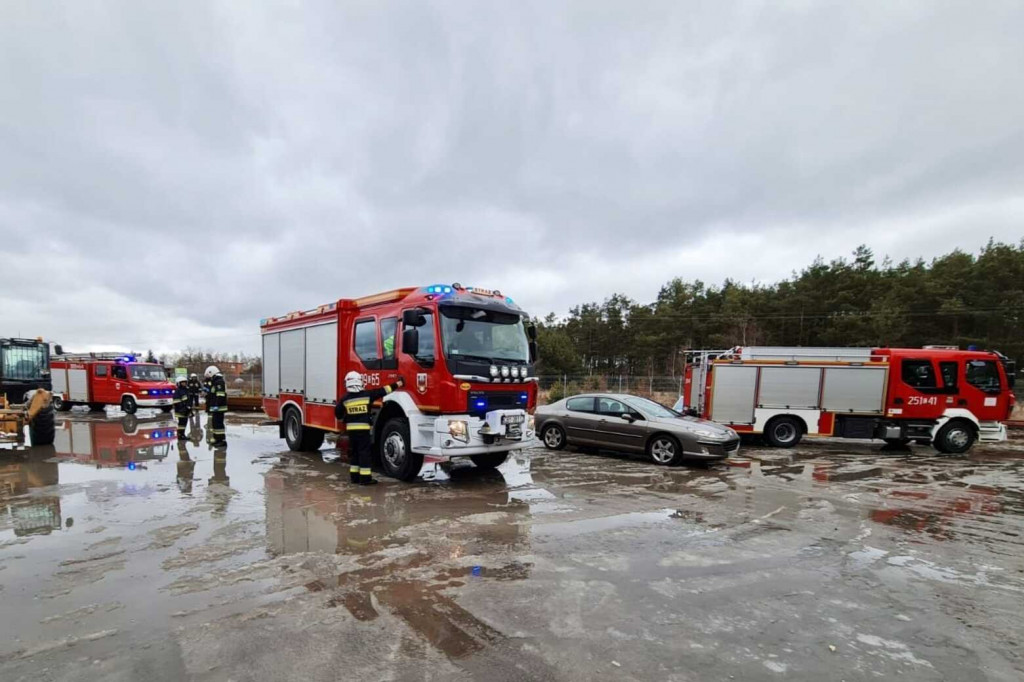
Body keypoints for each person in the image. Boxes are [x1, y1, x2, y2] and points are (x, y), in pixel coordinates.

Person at [335, 371, 403, 485]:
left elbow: (338, 414)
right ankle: (365, 479)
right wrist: (398, 384)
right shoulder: (367, 395)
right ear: (359, 382)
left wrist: (347, 417)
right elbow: (383, 391)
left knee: (355, 453)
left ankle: (354, 477)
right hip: (363, 431)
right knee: (364, 453)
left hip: (351, 432)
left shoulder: (345, 399)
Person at [204, 365, 228, 447]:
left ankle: (221, 441)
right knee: (215, 424)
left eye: (209, 376)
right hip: (216, 408)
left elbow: (220, 395)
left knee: (218, 424)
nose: (209, 378)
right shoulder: (216, 381)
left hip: (219, 408)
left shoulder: (219, 382)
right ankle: (217, 439)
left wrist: (216, 405)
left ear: (212, 373)